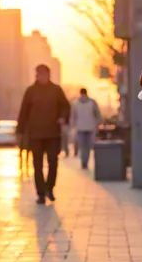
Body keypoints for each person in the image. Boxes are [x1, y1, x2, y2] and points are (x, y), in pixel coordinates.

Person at [16, 64, 71, 204]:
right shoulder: (31, 91)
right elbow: (24, 112)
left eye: (44, 74)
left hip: (53, 133)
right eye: (39, 74)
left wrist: (63, 118)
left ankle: (50, 188)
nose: (41, 77)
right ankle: (40, 193)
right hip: (36, 134)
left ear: (48, 75)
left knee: (53, 162)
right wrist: (20, 131)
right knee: (37, 165)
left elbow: (65, 106)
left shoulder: (56, 90)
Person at [69, 88, 102, 169]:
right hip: (90, 127)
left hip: (81, 128)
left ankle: (84, 162)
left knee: (83, 146)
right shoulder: (92, 102)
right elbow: (97, 114)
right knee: (87, 146)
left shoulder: (75, 103)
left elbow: (73, 116)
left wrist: (72, 126)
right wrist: (97, 124)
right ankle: (84, 162)